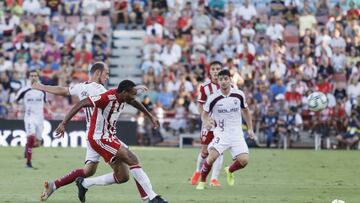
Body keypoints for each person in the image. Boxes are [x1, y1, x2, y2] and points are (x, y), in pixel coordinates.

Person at [34, 62, 149, 202]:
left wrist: (41, 87)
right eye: (106, 73)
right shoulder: (99, 89)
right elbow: (120, 94)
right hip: (101, 134)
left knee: (88, 171)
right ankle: (148, 196)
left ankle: (55, 185)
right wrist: (135, 88)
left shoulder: (81, 87)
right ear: (97, 73)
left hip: (91, 134)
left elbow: (62, 90)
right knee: (125, 168)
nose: (107, 77)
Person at [54, 80, 168, 203]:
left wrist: (150, 116)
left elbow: (134, 101)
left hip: (110, 136)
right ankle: (152, 198)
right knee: (132, 158)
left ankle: (85, 183)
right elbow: (82, 103)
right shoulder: (106, 98)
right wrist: (63, 123)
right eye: (132, 94)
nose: (133, 97)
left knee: (123, 176)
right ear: (124, 93)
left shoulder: (125, 97)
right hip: (99, 138)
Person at [196, 69, 255, 190]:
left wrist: (250, 129)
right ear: (218, 81)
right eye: (221, 79)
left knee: (244, 161)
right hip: (221, 133)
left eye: (226, 79)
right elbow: (205, 114)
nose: (223, 82)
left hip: (237, 134)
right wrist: (206, 122)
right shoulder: (213, 98)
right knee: (211, 157)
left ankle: (229, 170)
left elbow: (246, 111)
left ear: (230, 80)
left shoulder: (239, 94)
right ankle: (202, 182)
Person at [190, 61, 224, 187]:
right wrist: (204, 120)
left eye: (218, 69)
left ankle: (214, 179)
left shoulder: (229, 86)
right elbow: (200, 105)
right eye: (213, 69)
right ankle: (197, 172)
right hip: (208, 123)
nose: (216, 71)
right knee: (204, 151)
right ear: (210, 72)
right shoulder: (205, 87)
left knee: (218, 150)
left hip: (221, 124)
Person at [16, 70, 46, 168]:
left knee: (38, 143)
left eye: (35, 75)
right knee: (31, 138)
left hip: (40, 119)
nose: (33, 77)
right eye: (31, 75)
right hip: (29, 118)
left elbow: (46, 102)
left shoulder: (43, 89)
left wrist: (49, 111)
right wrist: (18, 109)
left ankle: (27, 147)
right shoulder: (24, 90)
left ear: (38, 77)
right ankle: (28, 163)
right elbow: (15, 100)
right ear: (29, 78)